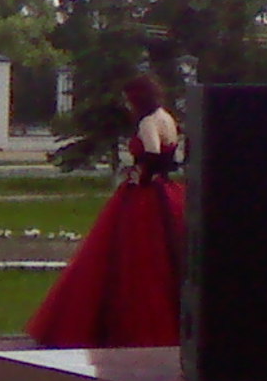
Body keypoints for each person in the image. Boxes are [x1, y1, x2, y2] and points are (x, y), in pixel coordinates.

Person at [27, 74, 185, 348]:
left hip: (144, 195)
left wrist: (139, 176)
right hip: (167, 192)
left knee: (127, 256)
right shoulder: (167, 117)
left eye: (128, 99)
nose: (126, 105)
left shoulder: (147, 122)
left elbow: (151, 154)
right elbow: (172, 158)